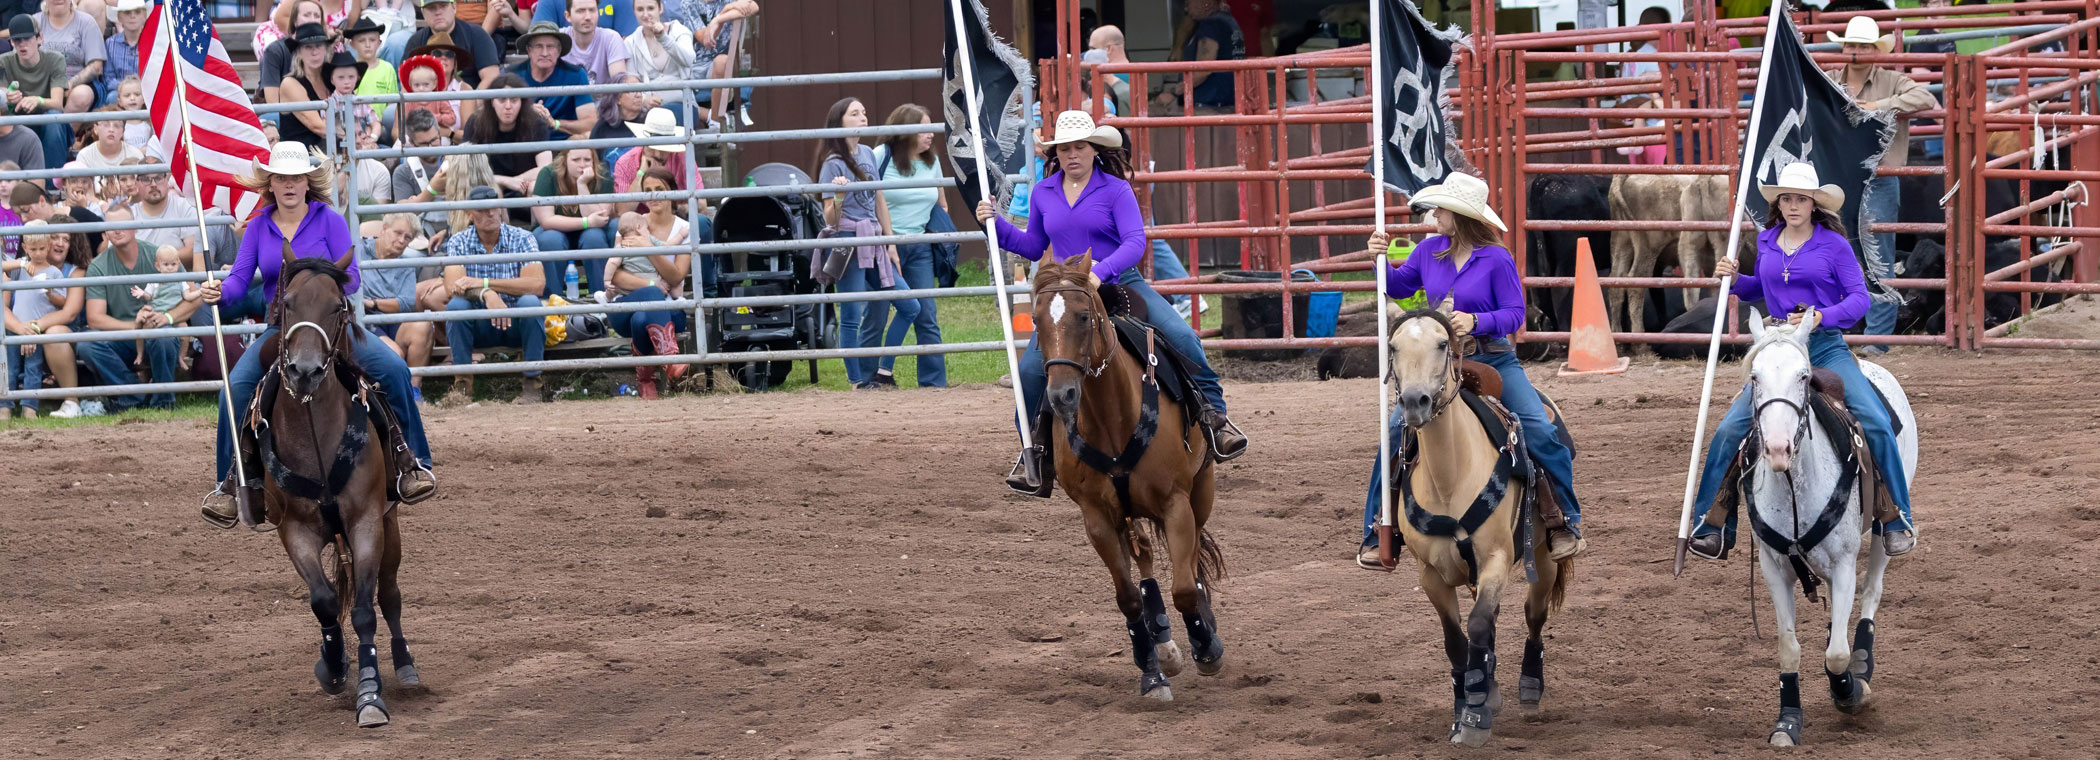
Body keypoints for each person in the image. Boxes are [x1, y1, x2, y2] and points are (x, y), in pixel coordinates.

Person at [975, 110, 1249, 494]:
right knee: (1030, 373)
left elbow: (1135, 242)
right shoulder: (1044, 191)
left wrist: (1099, 272)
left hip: (1120, 284)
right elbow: (1034, 246)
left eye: (1080, 147)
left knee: (1183, 337)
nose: (1073, 155)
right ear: (1056, 153)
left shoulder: (1116, 190)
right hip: (1068, 295)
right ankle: (1034, 451)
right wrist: (994, 225)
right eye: (1065, 148)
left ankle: (1215, 419)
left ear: (1094, 150)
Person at [1352, 173, 1586, 567]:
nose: (1434, 214)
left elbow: (1514, 314)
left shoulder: (1496, 258)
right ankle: (1379, 530)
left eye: (1441, 208)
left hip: (1493, 356)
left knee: (1540, 428)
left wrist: (1476, 321)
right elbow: (1398, 286)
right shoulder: (1428, 252)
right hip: (1442, 364)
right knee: (1393, 431)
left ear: (1459, 215)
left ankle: (1564, 521)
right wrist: (1377, 258)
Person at [199, 141, 436, 528]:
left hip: (332, 326)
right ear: (270, 184)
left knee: (394, 369)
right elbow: (240, 283)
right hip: (282, 328)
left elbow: (353, 276)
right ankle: (231, 485)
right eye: (281, 178)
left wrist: (318, 276)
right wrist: (218, 292)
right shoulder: (258, 226)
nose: (289, 184)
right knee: (235, 389)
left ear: (308, 183)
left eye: (297, 178)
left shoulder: (330, 220)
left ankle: (413, 462)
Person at [1688, 162, 1916, 559]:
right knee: (1728, 430)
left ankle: (1896, 519)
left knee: (1877, 421)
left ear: (1814, 204)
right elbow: (1763, 286)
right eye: (1787, 199)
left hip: (1825, 345)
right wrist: (1734, 278)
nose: (1793, 206)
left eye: (1801, 199)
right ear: (1779, 203)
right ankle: (1711, 522)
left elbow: (1859, 299)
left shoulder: (1834, 245)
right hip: (1779, 346)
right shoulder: (1767, 241)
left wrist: (1821, 315)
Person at [1823, 15, 1937, 354]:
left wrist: (1876, 106)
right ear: (1843, 48)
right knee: (1842, 252)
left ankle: (1876, 338)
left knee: (1877, 258)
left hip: (1877, 178)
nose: (1856, 51)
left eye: (1863, 45)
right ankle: (1852, 334)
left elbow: (1925, 99)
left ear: (1876, 50)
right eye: (1851, 45)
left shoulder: (1892, 81)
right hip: (1838, 178)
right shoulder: (1827, 79)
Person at [814, 96, 915, 390]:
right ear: (839, 122)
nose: (863, 117)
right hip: (847, 239)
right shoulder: (832, 164)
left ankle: (884, 371)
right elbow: (830, 218)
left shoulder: (869, 153)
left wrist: (890, 241)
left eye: (864, 113)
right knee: (851, 314)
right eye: (855, 113)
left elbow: (878, 197)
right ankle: (857, 382)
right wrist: (839, 196)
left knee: (910, 306)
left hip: (873, 238)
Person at [78, 205, 193, 411]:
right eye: (111, 226)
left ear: (135, 228)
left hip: (160, 329)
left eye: (124, 224)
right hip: (123, 335)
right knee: (87, 345)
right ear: (105, 232)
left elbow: (194, 297)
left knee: (164, 336)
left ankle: (164, 402)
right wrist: (136, 326)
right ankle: (134, 396)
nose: (117, 230)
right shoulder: (98, 266)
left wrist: (167, 317)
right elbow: (95, 318)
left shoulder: (158, 255)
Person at [439, 185, 547, 404]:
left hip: (515, 321)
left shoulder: (522, 237)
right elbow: (452, 286)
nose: (490, 213)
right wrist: (487, 293)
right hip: (479, 323)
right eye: (482, 209)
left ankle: (532, 384)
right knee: (456, 307)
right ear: (469, 214)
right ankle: (462, 389)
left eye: (494, 208)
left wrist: (485, 282)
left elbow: (536, 284)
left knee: (530, 302)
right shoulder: (459, 241)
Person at [873, 103, 947, 388]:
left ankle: (933, 383)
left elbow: (941, 201)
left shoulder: (932, 160)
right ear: (904, 132)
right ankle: (870, 378)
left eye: (931, 128)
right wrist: (888, 241)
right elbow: (872, 199)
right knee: (877, 315)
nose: (930, 134)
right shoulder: (882, 156)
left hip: (920, 246)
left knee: (926, 314)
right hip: (883, 246)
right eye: (922, 129)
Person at [3, 219, 84, 419]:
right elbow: (2, 267)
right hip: (16, 326)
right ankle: (5, 405)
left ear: (47, 246)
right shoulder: (19, 269)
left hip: (37, 328)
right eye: (33, 249)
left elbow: (62, 301)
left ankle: (30, 407)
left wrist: (49, 293)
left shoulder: (54, 273)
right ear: (25, 248)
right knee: (9, 367)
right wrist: (21, 262)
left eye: (41, 248)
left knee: (33, 368)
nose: (38, 253)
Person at [356, 212, 439, 403]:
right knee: (394, 353)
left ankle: (414, 392)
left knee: (423, 324)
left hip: (392, 319)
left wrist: (374, 302)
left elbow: (407, 302)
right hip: (365, 321)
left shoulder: (406, 262)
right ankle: (388, 398)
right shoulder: (359, 250)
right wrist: (381, 303)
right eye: (398, 233)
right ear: (384, 229)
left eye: (407, 237)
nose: (402, 240)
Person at [603, 208, 685, 398]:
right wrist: (651, 284)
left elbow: (676, 277)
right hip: (629, 301)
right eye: (648, 191)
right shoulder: (627, 230)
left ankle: (645, 378)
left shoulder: (682, 227)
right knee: (652, 293)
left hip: (666, 306)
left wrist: (648, 248)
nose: (655, 197)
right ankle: (670, 359)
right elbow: (615, 273)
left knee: (640, 318)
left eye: (659, 190)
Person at [461, 72, 554, 220]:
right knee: (492, 190)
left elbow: (546, 168)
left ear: (522, 102)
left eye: (514, 100)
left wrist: (517, 181)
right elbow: (465, 169)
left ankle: (537, 235)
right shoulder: (476, 122)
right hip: (487, 184)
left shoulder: (535, 123)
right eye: (502, 100)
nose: (508, 106)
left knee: (535, 186)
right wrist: (505, 181)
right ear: (492, 101)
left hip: (524, 186)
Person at [531, 145, 615, 297]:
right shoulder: (548, 174)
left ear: (594, 161)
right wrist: (586, 222)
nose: (582, 164)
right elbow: (546, 220)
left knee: (594, 238)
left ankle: (600, 300)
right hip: (555, 231)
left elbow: (600, 217)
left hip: (591, 232)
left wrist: (582, 185)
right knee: (550, 240)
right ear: (564, 160)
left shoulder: (602, 175)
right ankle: (552, 302)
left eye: (587, 160)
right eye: (576, 159)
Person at [3, 15, 69, 169]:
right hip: (16, 118)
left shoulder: (55, 59)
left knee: (54, 118)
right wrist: (6, 95)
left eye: (27, 38)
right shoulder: (4, 61)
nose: (22, 44)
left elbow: (58, 103)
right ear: (11, 42)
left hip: (46, 118)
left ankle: (53, 186)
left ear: (40, 39)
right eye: (17, 40)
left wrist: (37, 100)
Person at [509, 21, 595, 137]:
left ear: (559, 50)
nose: (545, 53)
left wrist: (555, 123)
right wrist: (525, 112)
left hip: (564, 148)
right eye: (538, 46)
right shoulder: (512, 74)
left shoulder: (576, 75)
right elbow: (497, 116)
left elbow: (590, 123)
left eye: (550, 46)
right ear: (529, 50)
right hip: (523, 144)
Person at [682, 0, 757, 127]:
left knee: (722, 61)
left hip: (722, 66)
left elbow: (754, 7)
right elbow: (706, 39)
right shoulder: (689, 3)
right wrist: (725, 13)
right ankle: (707, 115)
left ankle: (715, 122)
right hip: (694, 66)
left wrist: (719, 17)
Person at [1159, 0, 1243, 111]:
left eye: (1188, 3)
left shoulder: (1210, 25)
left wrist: (1173, 93)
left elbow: (1203, 69)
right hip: (1228, 99)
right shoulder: (1230, 22)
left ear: (1205, 3)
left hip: (1209, 103)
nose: (1186, 9)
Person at [390, 108, 457, 243]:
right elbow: (404, 215)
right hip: (421, 239)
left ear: (439, 134)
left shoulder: (458, 159)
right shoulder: (403, 172)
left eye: (434, 140)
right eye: (424, 144)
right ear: (412, 144)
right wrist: (433, 188)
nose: (431, 147)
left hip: (457, 232)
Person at [405, 0, 504, 89]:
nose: (438, 12)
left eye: (443, 6)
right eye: (431, 8)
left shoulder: (476, 35)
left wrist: (472, 104)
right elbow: (406, 84)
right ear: (423, 13)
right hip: (426, 105)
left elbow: (491, 77)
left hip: (470, 100)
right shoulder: (416, 41)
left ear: (454, 7)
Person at [32, 0, 103, 113]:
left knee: (81, 95)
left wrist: (69, 84)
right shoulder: (34, 22)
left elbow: (96, 66)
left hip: (78, 84)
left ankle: (66, 130)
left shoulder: (86, 22)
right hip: (42, 82)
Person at [276, 23, 336, 152]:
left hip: (330, 152)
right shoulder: (290, 83)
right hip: (300, 158)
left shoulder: (331, 79)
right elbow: (319, 128)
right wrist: (353, 138)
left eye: (319, 46)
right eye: (308, 47)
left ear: (325, 49)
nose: (314, 52)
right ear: (299, 53)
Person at [253, 1, 326, 105]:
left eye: (317, 16)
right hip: (285, 114)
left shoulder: (328, 50)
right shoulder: (275, 51)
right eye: (306, 15)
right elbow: (273, 104)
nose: (312, 20)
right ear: (294, 21)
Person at [623, 0, 690, 111]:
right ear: (634, 12)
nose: (645, 14)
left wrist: (663, 38)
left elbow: (688, 60)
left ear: (661, 8)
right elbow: (631, 79)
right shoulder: (630, 42)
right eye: (640, 9)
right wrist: (644, 99)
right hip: (649, 109)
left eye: (650, 8)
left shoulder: (679, 31)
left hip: (682, 104)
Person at [127, 168, 198, 254]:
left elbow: (193, 251)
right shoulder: (128, 214)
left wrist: (156, 260)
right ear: (136, 184)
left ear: (167, 180)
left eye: (158, 178)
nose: (153, 184)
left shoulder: (184, 207)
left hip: (176, 267)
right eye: (146, 179)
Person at [395, 54, 463, 142]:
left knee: (444, 142)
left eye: (426, 84)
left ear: (434, 84)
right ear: (411, 86)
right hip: (415, 137)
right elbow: (404, 122)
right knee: (399, 143)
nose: (421, 89)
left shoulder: (439, 99)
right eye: (417, 85)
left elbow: (452, 119)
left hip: (437, 136)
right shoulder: (410, 102)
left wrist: (437, 118)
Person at [560, 0, 626, 85]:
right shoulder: (558, 39)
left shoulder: (611, 38)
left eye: (592, 10)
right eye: (581, 11)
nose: (588, 17)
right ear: (568, 16)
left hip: (604, 98)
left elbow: (620, 84)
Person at [346, 17, 400, 115]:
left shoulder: (387, 69)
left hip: (382, 125)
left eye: (372, 40)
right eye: (361, 41)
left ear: (379, 43)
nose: (367, 45)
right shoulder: (348, 70)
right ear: (352, 44)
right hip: (354, 125)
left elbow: (392, 104)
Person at [97, 0, 146, 104]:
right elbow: (108, 79)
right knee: (112, 97)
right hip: (120, 92)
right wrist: (128, 89)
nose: (132, 16)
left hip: (147, 90)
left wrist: (140, 89)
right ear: (119, 17)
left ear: (144, 16)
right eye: (127, 12)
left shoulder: (153, 41)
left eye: (137, 12)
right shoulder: (110, 43)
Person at [1083, 25, 1132, 118]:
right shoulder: (1135, 73)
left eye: (1093, 49)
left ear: (1109, 49)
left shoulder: (1133, 76)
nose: (1089, 53)